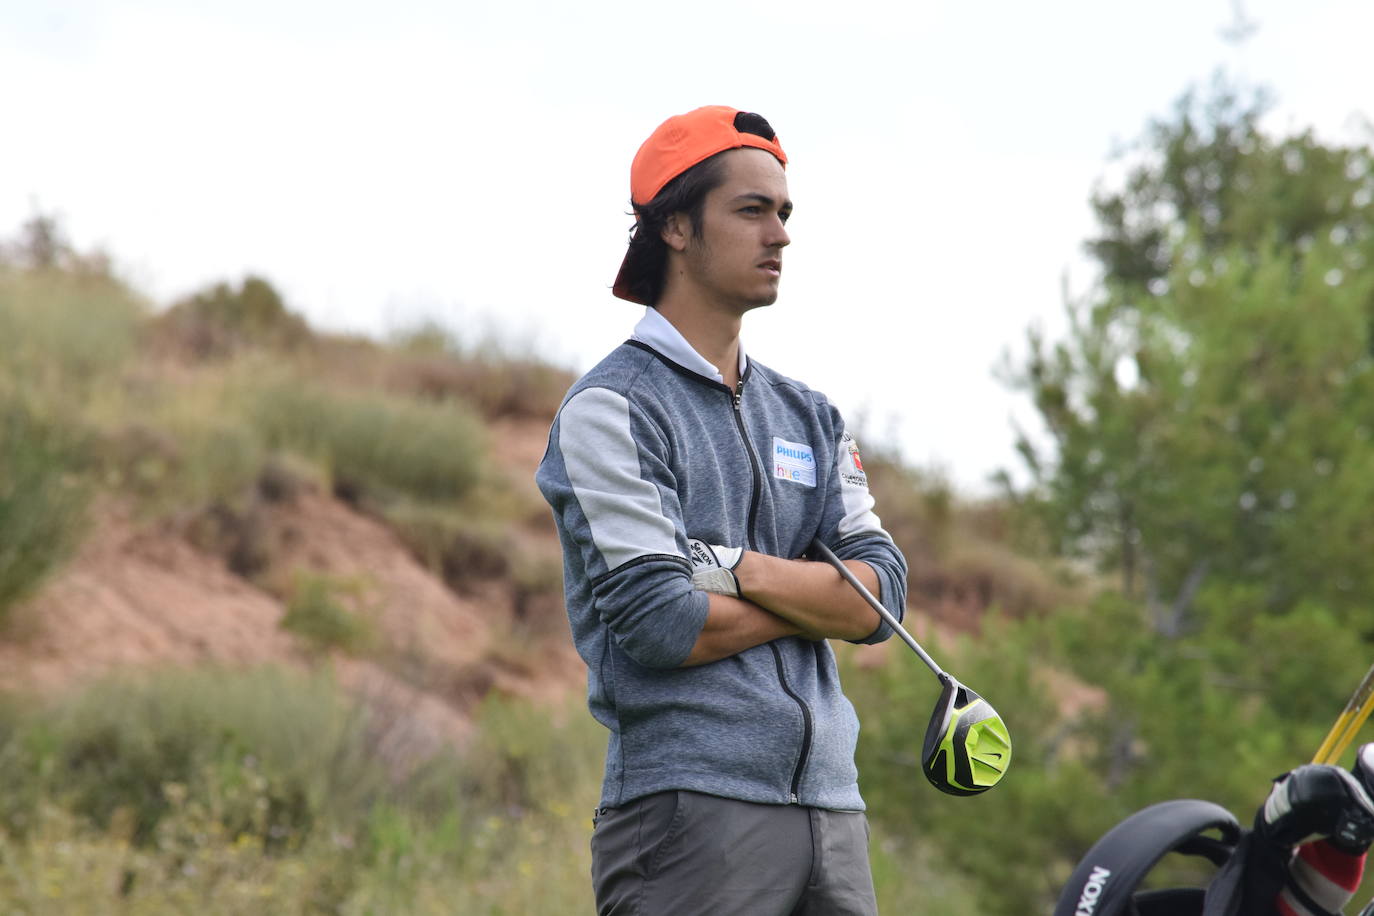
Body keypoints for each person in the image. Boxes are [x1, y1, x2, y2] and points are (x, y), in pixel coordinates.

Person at [535, 105, 909, 915]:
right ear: (674, 226)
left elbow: (883, 602)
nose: (779, 235)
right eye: (751, 211)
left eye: (783, 213)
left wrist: (734, 570)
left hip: (833, 815)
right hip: (687, 816)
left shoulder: (812, 416)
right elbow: (665, 623)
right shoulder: (611, 409)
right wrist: (817, 599)